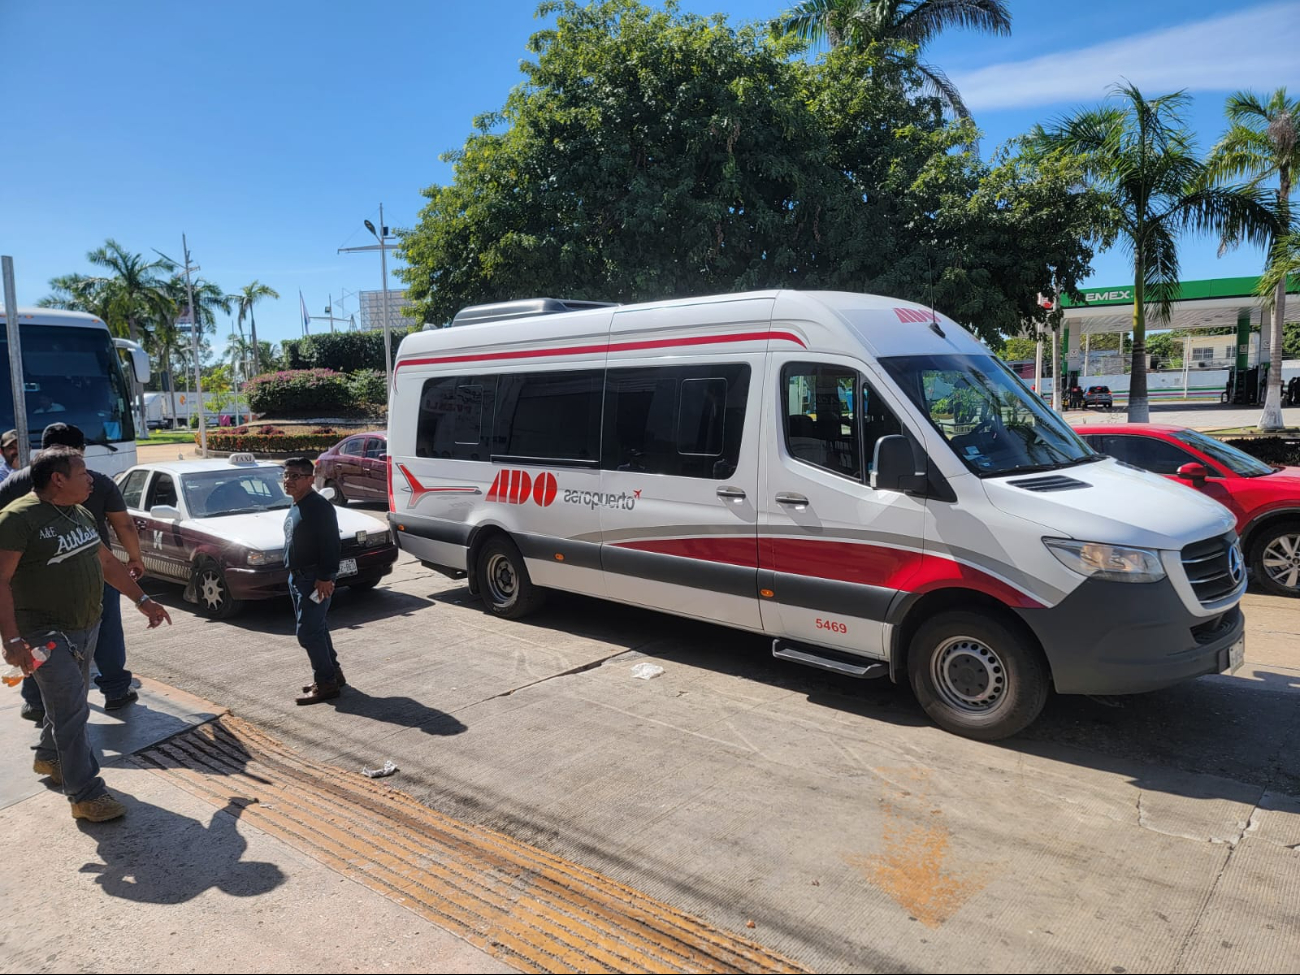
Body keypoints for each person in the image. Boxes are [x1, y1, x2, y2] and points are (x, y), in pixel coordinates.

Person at [0, 446, 171, 822]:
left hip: (86, 625)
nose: (91, 479)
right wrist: (12, 640)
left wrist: (142, 600)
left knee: (68, 705)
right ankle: (86, 794)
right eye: (83, 473)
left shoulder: (78, 513)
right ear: (58, 479)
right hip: (44, 634)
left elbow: (107, 562)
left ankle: (49, 758)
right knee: (73, 714)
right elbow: (1, 580)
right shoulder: (16, 519)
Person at [0, 423, 146, 721]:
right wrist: (134, 557)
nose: (86, 476)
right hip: (90, 574)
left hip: (32, 581)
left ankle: (37, 701)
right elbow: (124, 524)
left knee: (39, 639)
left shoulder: (14, 482)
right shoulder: (99, 483)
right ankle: (115, 690)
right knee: (104, 631)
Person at [282, 457, 344, 705]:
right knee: (317, 629)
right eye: (286, 475)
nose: (288, 481)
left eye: (295, 476)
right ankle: (333, 674)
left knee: (307, 632)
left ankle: (326, 683)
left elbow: (331, 543)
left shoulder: (318, 507)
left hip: (315, 579)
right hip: (298, 578)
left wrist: (326, 577)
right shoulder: (297, 503)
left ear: (310, 479)